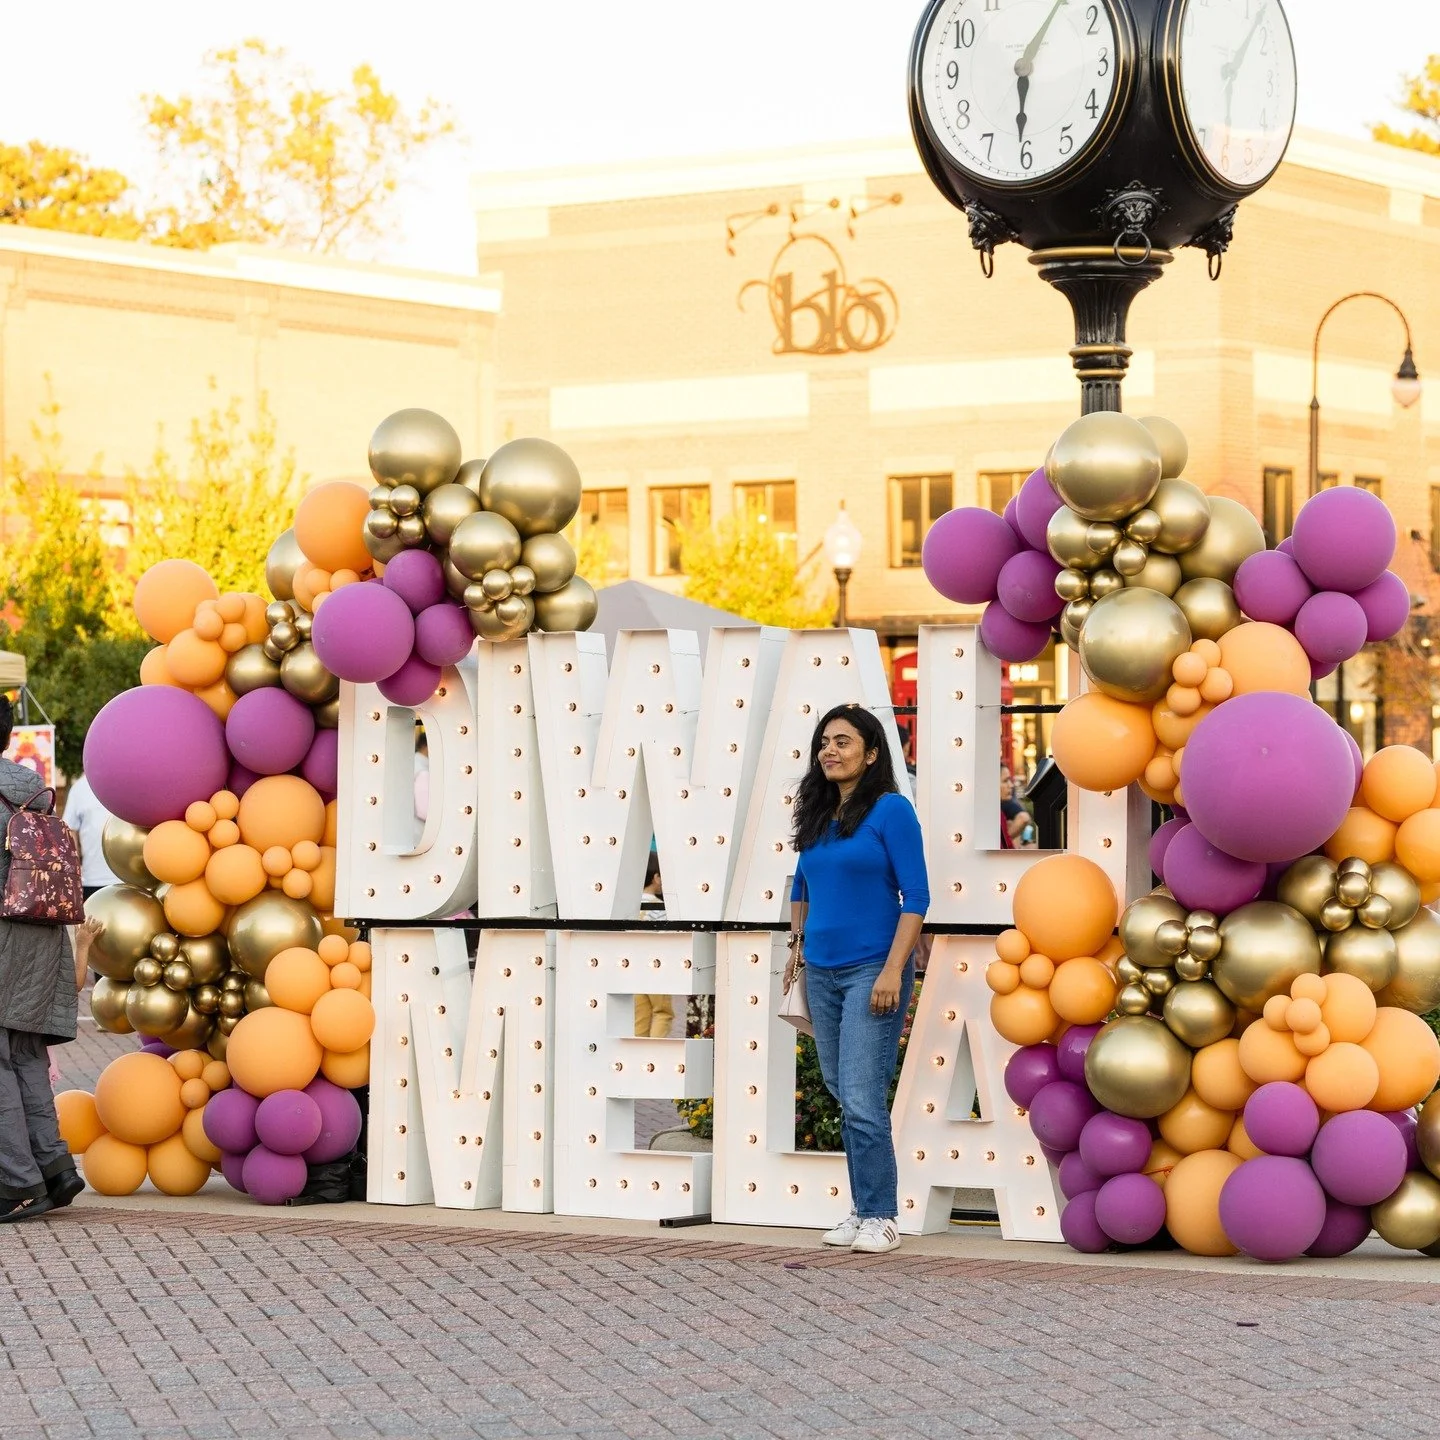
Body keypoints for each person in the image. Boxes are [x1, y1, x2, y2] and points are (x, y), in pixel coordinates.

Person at [783, 703, 929, 1254]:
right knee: (843, 1091)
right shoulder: (817, 813)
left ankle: (882, 1216)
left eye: (843, 742)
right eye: (824, 742)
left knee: (863, 1097)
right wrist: (797, 947)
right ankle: (863, 1206)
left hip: (873, 967)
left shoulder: (892, 811)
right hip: (822, 970)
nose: (830, 751)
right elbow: (802, 884)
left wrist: (893, 968)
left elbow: (917, 897)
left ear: (870, 754)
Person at [0, 697, 101, 1221]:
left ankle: (18, 1184)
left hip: (3, 935)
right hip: (43, 935)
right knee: (25, 1054)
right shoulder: (31, 791)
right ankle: (56, 1168)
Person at [62, 771, 120, 900]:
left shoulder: (128, 783)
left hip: (129, 879)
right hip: (92, 878)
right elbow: (70, 830)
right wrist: (75, 871)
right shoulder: (79, 787)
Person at [635, 852, 675, 1037]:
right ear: (656, 877)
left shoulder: (631, 904)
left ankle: (638, 1051)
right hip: (656, 965)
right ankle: (656, 1051)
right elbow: (668, 936)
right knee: (662, 1012)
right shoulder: (660, 907)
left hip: (633, 965)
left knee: (640, 1015)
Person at [1000, 766, 1034, 849]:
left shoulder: (1002, 811)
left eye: (1010, 780)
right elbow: (1024, 818)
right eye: (1005, 781)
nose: (1011, 785)